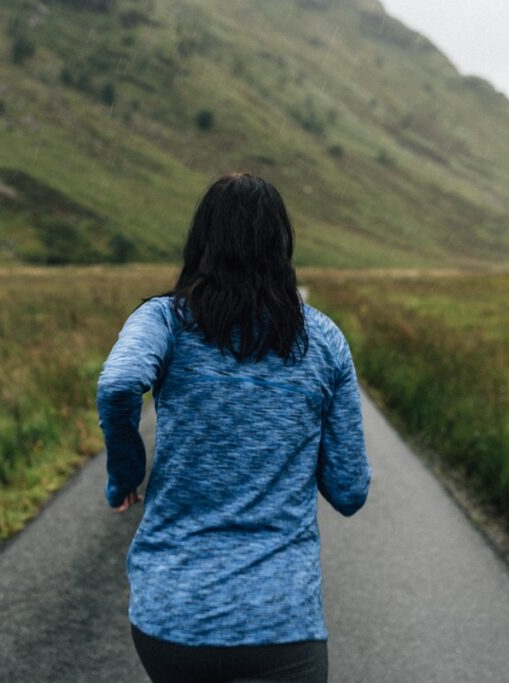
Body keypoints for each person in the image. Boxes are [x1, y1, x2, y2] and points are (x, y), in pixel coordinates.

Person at [96, 172, 372, 682]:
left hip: (172, 618)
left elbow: (118, 383)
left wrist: (124, 475)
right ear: (279, 245)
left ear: (202, 242)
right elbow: (349, 491)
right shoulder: (323, 339)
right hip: (281, 623)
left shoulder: (165, 320)